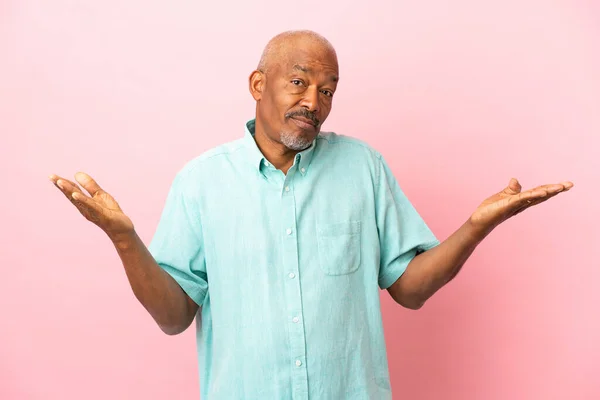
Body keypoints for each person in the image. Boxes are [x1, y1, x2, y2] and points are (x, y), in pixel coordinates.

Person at [48, 30, 573, 399]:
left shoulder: (363, 167)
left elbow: (409, 289)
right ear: (258, 85)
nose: (313, 102)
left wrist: (477, 226)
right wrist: (123, 239)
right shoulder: (200, 182)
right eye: (298, 82)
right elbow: (174, 317)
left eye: (327, 90)